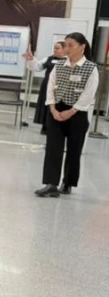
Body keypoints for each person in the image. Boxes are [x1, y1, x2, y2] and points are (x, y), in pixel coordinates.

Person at [35, 32, 99, 198]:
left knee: (74, 150)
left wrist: (71, 111)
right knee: (53, 148)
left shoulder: (91, 68)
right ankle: (51, 184)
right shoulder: (59, 65)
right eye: (67, 45)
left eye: (72, 45)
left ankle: (68, 182)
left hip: (77, 113)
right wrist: (53, 109)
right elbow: (50, 87)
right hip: (56, 111)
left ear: (82, 47)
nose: (68, 49)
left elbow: (88, 94)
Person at [23, 41, 66, 134]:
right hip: (47, 85)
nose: (55, 50)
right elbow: (37, 66)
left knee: (58, 106)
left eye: (57, 48)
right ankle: (45, 126)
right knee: (46, 104)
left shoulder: (69, 60)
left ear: (64, 49)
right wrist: (31, 59)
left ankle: (57, 127)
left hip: (61, 87)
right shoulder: (49, 59)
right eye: (54, 48)